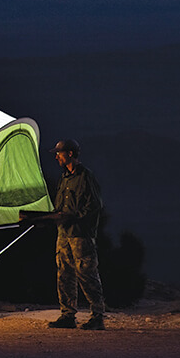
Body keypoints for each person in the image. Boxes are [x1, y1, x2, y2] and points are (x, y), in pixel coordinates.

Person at [47, 139, 106, 330]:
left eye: (59, 153)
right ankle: (68, 315)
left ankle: (97, 316)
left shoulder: (86, 176)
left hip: (81, 235)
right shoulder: (64, 178)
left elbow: (95, 205)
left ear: (70, 154)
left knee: (87, 273)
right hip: (64, 234)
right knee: (64, 273)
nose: (57, 157)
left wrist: (75, 218)